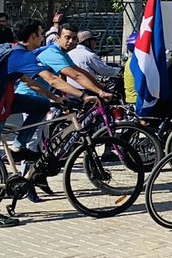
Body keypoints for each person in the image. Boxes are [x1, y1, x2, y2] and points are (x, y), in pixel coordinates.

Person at [0, 19, 95, 228]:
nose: (44, 36)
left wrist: (56, 100)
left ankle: (19, 146)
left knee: (40, 105)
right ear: (32, 37)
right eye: (40, 33)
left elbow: (32, 83)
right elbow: (53, 80)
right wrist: (82, 96)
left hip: (4, 101)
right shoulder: (21, 56)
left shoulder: (15, 51)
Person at [12, 23, 113, 158]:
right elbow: (74, 76)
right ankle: (22, 175)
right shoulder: (52, 53)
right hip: (30, 95)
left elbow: (80, 72)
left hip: (43, 97)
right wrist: (96, 93)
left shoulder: (62, 53)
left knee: (42, 145)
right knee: (32, 144)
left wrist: (102, 88)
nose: (71, 41)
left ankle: (36, 176)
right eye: (67, 37)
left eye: (74, 38)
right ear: (58, 38)